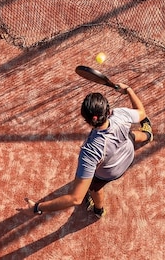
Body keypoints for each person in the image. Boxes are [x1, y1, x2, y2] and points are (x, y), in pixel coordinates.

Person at [21, 83, 153, 218]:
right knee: (130, 135)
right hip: (128, 153)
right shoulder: (120, 115)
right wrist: (129, 90)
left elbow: (76, 198)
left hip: (111, 172)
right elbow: (141, 113)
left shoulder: (90, 151)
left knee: (95, 188)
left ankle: (98, 210)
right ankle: (148, 135)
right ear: (108, 112)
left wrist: (37, 207)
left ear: (87, 121)